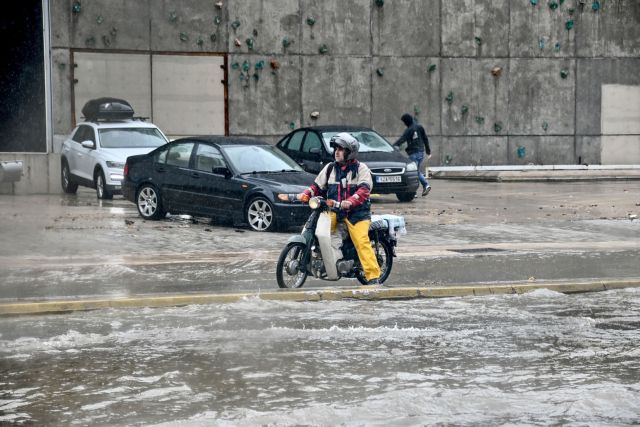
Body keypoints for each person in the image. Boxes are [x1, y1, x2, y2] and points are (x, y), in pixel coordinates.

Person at [296, 132, 382, 285]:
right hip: (334, 211)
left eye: (341, 149)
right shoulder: (330, 168)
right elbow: (317, 186)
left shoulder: (361, 169)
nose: (337, 152)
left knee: (361, 241)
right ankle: (330, 259)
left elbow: (364, 190)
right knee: (320, 231)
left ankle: (373, 276)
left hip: (357, 214)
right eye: (336, 148)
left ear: (350, 152)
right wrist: (306, 194)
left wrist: (350, 201)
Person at [393, 113, 432, 197]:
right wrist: (428, 151)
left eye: (404, 122)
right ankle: (414, 191)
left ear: (406, 122)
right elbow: (425, 139)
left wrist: (392, 147)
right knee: (416, 171)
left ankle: (425, 185)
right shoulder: (419, 127)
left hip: (414, 153)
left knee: (414, 172)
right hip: (421, 152)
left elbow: (402, 140)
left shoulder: (409, 130)